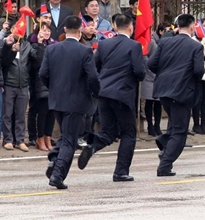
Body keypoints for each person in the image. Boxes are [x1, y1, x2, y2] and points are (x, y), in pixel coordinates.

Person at [77, 14, 146, 182]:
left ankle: (92, 147)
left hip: (104, 93)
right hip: (123, 94)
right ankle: (121, 171)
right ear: (130, 28)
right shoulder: (134, 45)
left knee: (108, 131)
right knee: (129, 133)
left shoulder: (104, 44)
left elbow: (96, 66)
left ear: (114, 27)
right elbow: (139, 72)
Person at [39, 15, 100, 189]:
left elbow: (43, 74)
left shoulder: (52, 49)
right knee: (69, 140)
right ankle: (58, 175)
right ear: (80, 31)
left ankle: (54, 161)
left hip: (57, 99)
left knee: (67, 135)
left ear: (65, 30)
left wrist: (54, 88)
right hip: (77, 101)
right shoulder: (85, 50)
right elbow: (93, 77)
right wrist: (95, 92)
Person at [147, 14, 205, 176]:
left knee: (174, 125)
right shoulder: (196, 47)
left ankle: (164, 144)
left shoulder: (165, 42)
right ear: (192, 27)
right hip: (182, 92)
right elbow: (199, 70)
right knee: (180, 131)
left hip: (163, 89)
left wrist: (165, 75)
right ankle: (165, 164)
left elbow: (151, 64)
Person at [2, 22, 37, 152]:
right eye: (16, 28)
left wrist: (37, 40)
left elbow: (35, 58)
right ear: (11, 30)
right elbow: (4, 62)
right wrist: (11, 50)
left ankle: (20, 140)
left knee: (21, 114)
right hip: (9, 83)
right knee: (8, 114)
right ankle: (8, 139)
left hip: (23, 84)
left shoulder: (27, 45)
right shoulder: (6, 44)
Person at [28, 13, 57, 152]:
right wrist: (39, 43)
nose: (46, 32)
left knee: (52, 112)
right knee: (42, 111)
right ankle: (39, 138)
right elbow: (38, 61)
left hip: (53, 82)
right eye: (43, 30)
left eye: (48, 30)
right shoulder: (33, 44)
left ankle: (47, 137)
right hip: (39, 83)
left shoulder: (53, 44)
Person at [141, 23, 169, 137]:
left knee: (158, 102)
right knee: (149, 101)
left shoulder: (165, 41)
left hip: (160, 74)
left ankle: (157, 125)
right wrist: (151, 66)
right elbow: (144, 55)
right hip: (150, 75)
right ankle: (150, 126)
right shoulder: (150, 41)